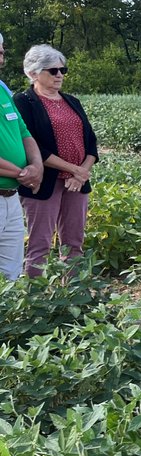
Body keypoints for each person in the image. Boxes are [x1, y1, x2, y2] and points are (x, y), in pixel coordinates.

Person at [13, 45, 99, 277]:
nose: (59, 75)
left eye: (63, 69)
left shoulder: (72, 101)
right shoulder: (23, 102)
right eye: (52, 71)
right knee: (39, 244)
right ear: (33, 73)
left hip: (76, 182)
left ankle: (73, 292)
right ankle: (36, 298)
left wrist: (81, 172)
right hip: (45, 181)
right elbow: (31, 145)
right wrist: (73, 169)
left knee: (73, 242)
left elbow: (91, 141)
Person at [0, 32, 44, 281]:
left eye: (2, 49)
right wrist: (21, 173)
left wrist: (36, 166)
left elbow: (23, 132)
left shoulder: (2, 89)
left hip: (11, 198)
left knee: (10, 276)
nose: (2, 54)